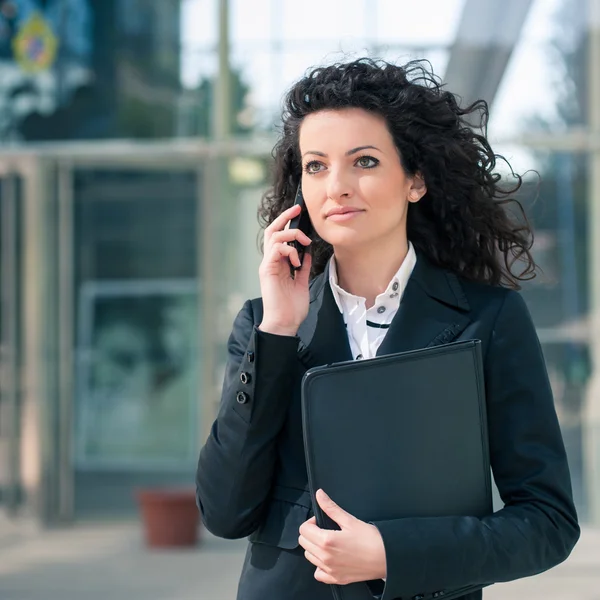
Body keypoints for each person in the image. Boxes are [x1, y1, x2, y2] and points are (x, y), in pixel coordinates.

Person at [195, 59, 580, 600]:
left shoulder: (487, 319)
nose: (337, 187)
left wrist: (390, 553)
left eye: (365, 161)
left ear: (415, 179)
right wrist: (279, 332)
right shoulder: (266, 323)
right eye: (316, 166)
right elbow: (225, 511)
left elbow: (547, 523)